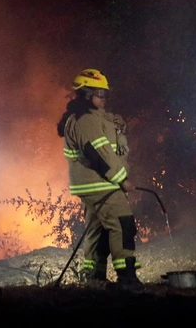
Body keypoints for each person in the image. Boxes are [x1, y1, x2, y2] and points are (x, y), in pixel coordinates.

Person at [57, 68, 143, 290]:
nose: (104, 98)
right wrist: (122, 180)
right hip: (102, 184)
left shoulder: (89, 118)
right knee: (122, 224)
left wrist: (116, 124)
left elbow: (106, 135)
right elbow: (100, 155)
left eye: (106, 93)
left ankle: (94, 278)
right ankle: (127, 279)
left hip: (93, 184)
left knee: (98, 230)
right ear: (87, 94)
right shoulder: (85, 121)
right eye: (100, 93)